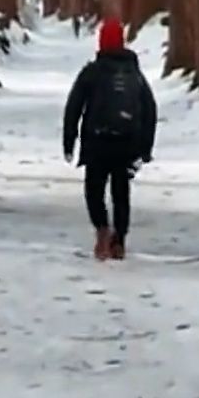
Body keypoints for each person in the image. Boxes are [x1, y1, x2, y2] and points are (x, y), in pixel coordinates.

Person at [63, 17, 157, 260]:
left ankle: (102, 229)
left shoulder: (92, 72)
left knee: (94, 190)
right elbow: (149, 109)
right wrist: (145, 148)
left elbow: (74, 106)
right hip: (127, 141)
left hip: (97, 141)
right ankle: (120, 241)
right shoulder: (134, 73)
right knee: (121, 191)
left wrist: (69, 140)